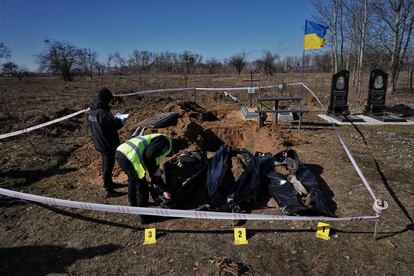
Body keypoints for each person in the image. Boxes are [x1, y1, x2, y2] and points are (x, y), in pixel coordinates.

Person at [115, 133, 172, 224]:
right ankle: (145, 218)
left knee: (133, 179)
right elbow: (148, 156)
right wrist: (155, 173)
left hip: (121, 152)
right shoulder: (165, 144)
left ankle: (133, 203)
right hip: (130, 156)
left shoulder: (158, 138)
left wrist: (160, 185)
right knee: (142, 187)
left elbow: (153, 162)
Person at [88, 88, 125, 198]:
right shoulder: (102, 113)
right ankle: (108, 190)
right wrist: (121, 121)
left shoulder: (92, 109)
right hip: (107, 143)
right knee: (108, 165)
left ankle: (109, 183)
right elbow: (114, 125)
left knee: (106, 164)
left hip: (99, 140)